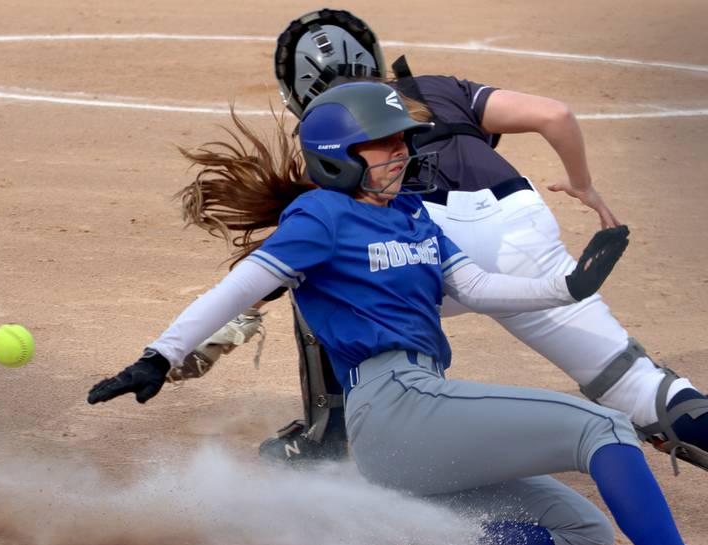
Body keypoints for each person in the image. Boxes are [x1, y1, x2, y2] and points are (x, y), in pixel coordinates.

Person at [88, 81, 683, 545]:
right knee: (601, 426)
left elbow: (475, 286)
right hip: (395, 406)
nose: (402, 153)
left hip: (420, 415)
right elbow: (237, 291)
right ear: (337, 157)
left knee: (586, 532)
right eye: (385, 143)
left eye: (404, 140)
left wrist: (571, 284)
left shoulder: (414, 216)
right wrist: (159, 357)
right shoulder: (321, 216)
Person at [178, 8, 708, 474]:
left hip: (424, 245)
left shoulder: (331, 138)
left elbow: (310, 248)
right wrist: (584, 185)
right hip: (520, 226)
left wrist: (233, 317)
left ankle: (330, 440)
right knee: (634, 382)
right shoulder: (437, 89)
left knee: (326, 284)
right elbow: (555, 115)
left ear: (294, 92)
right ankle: (672, 412)